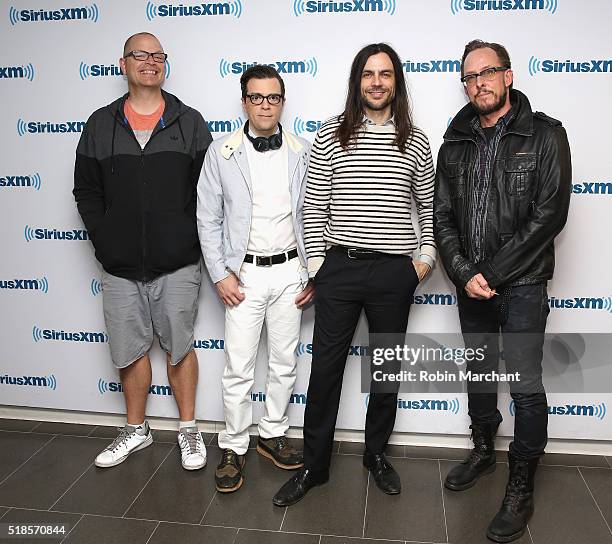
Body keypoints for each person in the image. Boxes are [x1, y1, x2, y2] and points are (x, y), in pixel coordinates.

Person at [273, 43, 436, 506]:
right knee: (325, 371)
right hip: (340, 268)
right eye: (369, 74)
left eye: (385, 74)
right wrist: (320, 268)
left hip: (393, 273)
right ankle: (314, 466)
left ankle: (376, 455)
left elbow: (428, 208)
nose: (377, 82)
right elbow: (313, 206)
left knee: (385, 372)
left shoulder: (416, 140)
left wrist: (422, 263)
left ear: (396, 82)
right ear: (357, 81)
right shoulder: (331, 135)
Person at [434, 39, 571, 542]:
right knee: (479, 372)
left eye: (487, 73)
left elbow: (548, 216)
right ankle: (484, 450)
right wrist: (463, 270)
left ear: (508, 76)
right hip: (470, 282)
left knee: (526, 385)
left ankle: (520, 480)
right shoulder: (455, 140)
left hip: (524, 286)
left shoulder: (545, 136)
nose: (478, 84)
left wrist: (491, 273)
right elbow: (442, 216)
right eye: (469, 78)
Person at [73, 32, 212, 471]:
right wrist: (105, 239)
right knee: (129, 351)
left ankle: (187, 428)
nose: (149, 62)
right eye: (140, 54)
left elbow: (208, 195)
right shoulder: (99, 124)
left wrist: (190, 242)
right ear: (123, 63)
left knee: (180, 348)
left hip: (178, 263)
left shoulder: (189, 121)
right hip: (120, 267)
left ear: (164, 64)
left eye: (157, 55)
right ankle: (137, 429)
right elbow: (86, 192)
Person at [197, 65, 313, 493]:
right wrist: (219, 275)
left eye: (274, 97)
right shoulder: (221, 152)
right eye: (257, 97)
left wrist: (311, 271)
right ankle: (233, 444)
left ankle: (273, 434)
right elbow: (207, 218)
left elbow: (317, 212)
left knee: (285, 362)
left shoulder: (304, 150)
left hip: (290, 273)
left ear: (282, 101)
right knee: (238, 368)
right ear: (244, 101)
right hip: (241, 276)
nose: (266, 105)